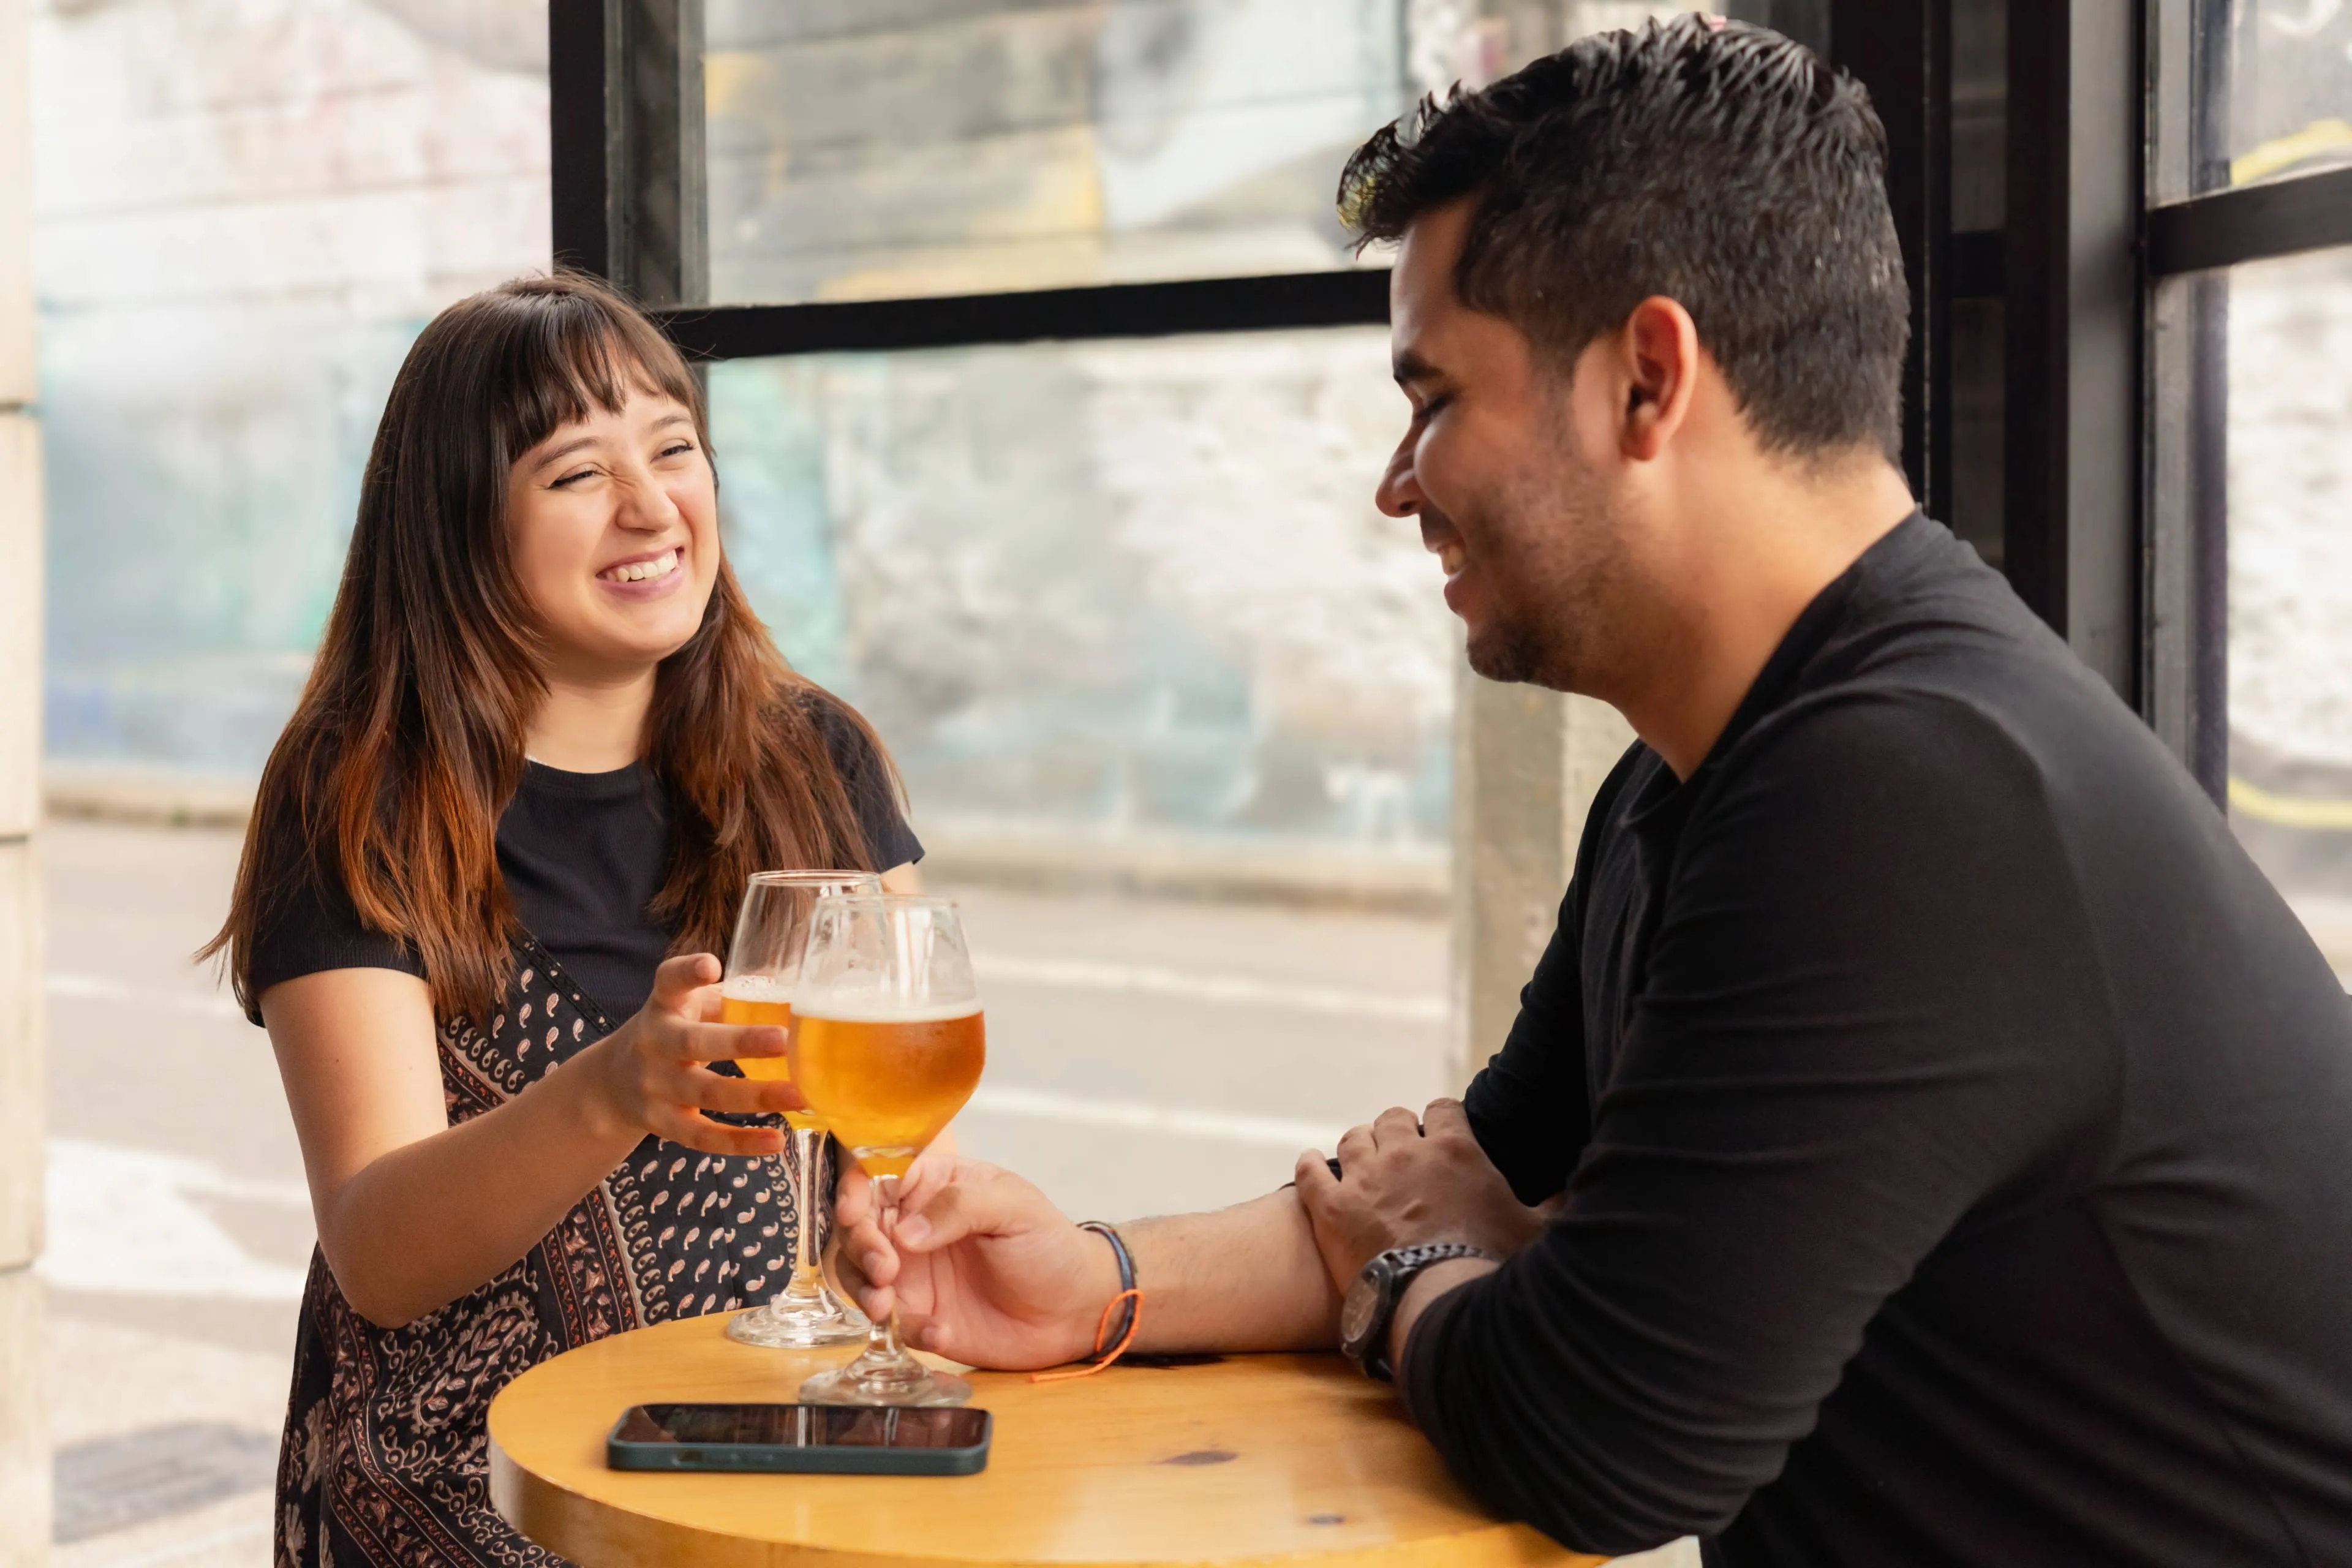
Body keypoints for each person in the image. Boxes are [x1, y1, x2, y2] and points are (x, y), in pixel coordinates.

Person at [829, 20, 2352, 1566]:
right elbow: (1469, 1173)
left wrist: (1423, 1262)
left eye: (1434, 399)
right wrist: (1092, 1278)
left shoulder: (1911, 789)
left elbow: (1594, 1436)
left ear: (1646, 377)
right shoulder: (1707, 770)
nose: (1397, 479)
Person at [203, 273, 922, 1567]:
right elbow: (379, 1247)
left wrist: (886, 1215)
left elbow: (897, 1111)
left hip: (762, 1474)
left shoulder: (816, 758)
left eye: (673, 447)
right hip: (453, 1501)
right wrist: (612, 1089)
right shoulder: (359, 796)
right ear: (461, 526)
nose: (653, 507)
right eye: (576, 472)